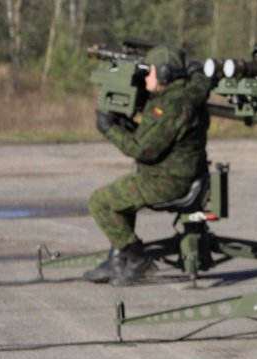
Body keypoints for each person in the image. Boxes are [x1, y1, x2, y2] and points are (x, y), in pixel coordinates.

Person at [85, 43, 210, 286]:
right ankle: (118, 260)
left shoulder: (170, 106)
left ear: (165, 74)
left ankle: (136, 257)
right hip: (179, 174)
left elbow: (141, 149)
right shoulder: (190, 92)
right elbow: (156, 137)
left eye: (150, 71)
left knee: (99, 202)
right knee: (121, 197)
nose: (145, 77)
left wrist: (108, 128)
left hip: (166, 182)